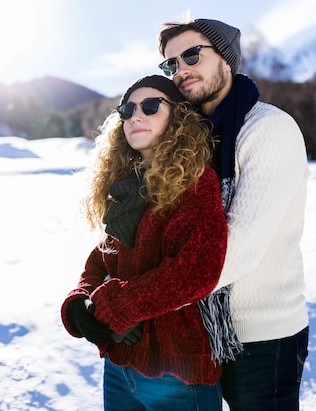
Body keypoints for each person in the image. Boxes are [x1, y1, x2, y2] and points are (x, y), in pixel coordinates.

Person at [157, 18, 310, 411]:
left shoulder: (268, 129)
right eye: (171, 64)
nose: (181, 70)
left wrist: (144, 299)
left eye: (192, 55)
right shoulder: (186, 143)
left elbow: (237, 248)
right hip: (198, 332)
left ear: (226, 59)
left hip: (261, 338)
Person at [61, 74, 230, 411]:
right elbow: (103, 258)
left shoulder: (195, 180)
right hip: (120, 366)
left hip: (178, 372)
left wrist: (116, 307)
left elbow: (197, 271)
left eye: (151, 106)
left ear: (177, 116)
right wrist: (80, 302)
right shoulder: (125, 185)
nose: (136, 116)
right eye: (127, 109)